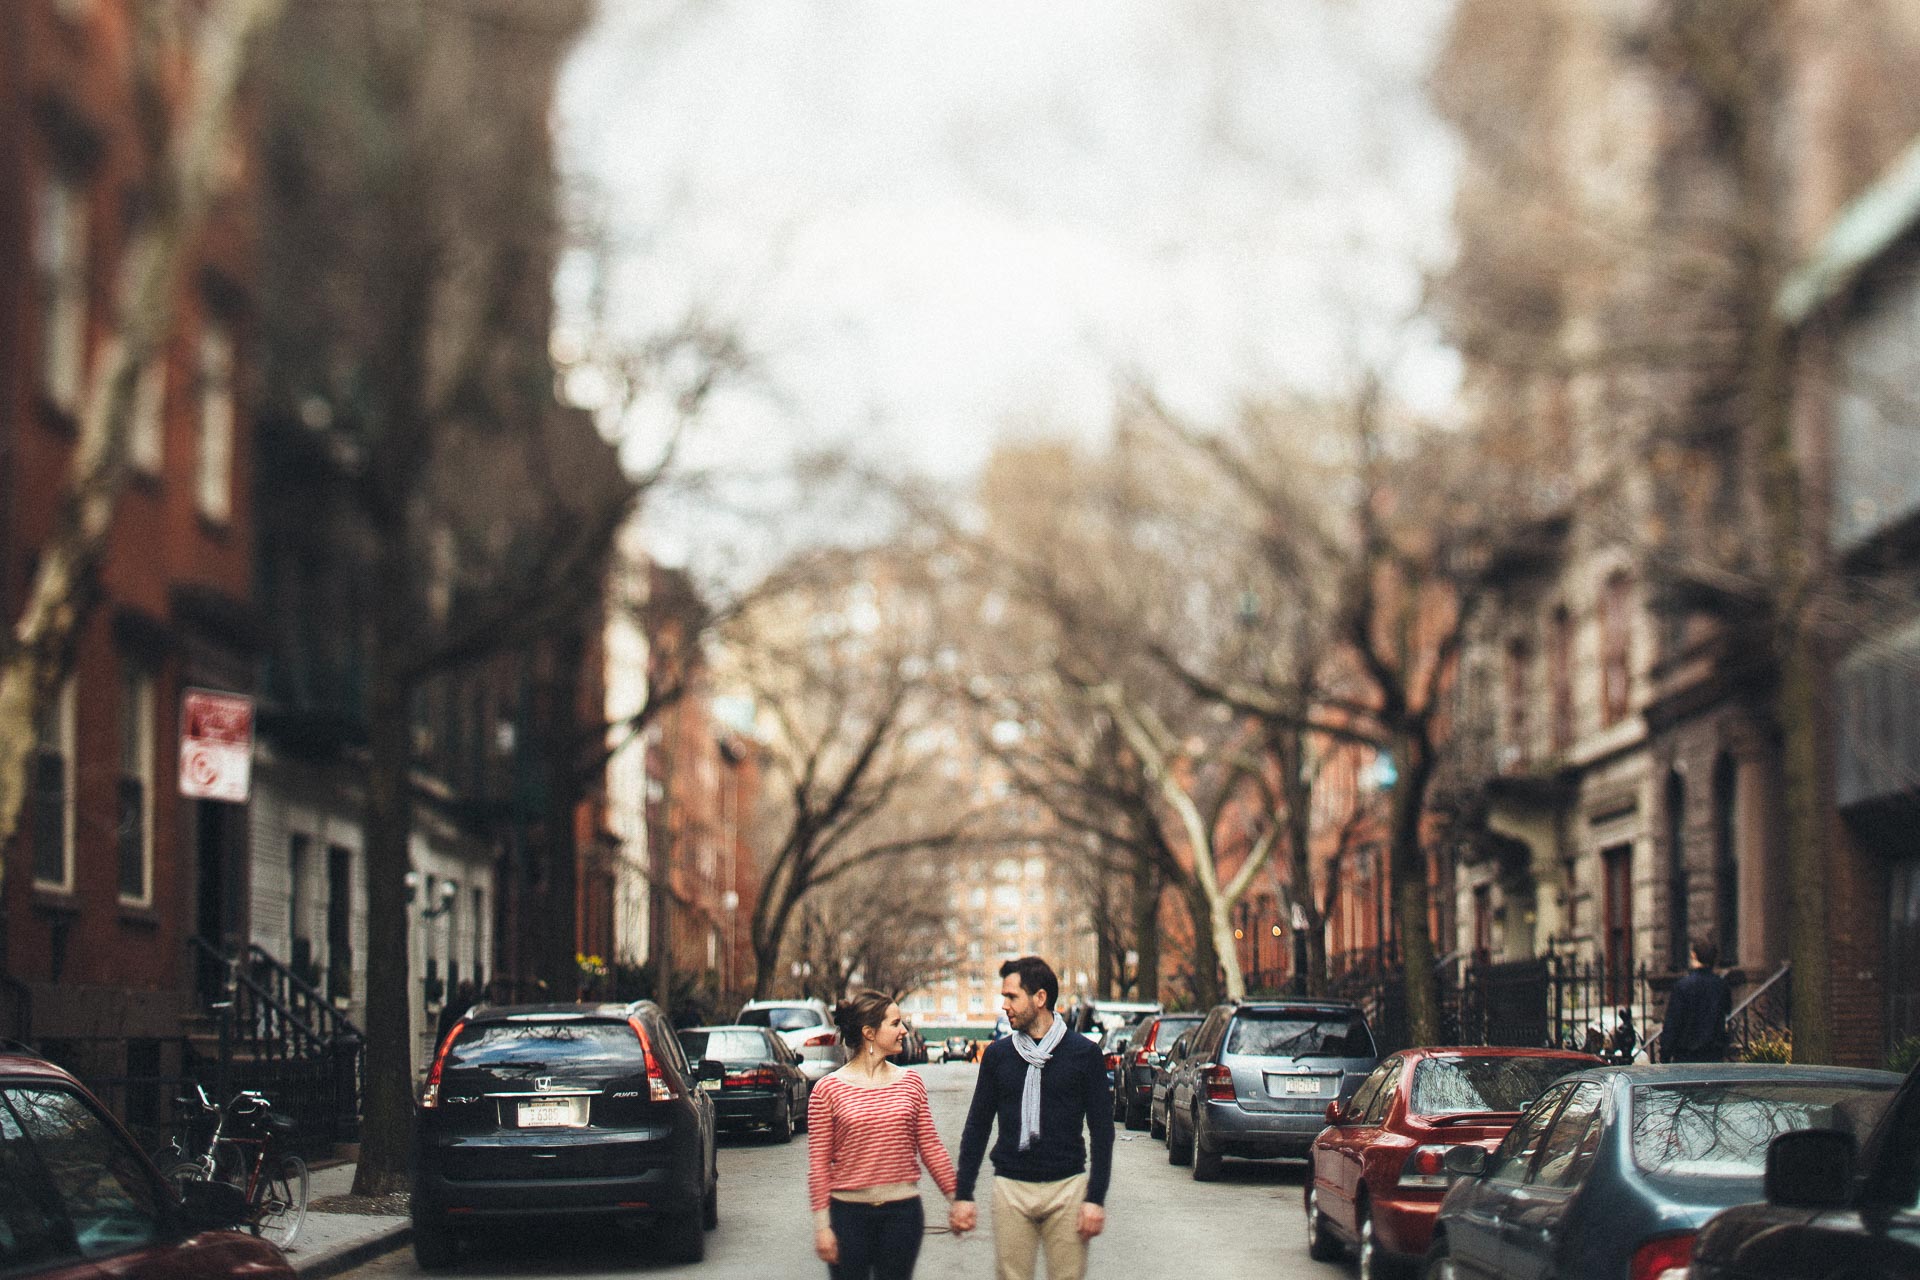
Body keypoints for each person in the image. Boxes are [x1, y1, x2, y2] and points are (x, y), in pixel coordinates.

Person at [950, 956, 1113, 1280]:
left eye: (1012, 997)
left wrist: (1095, 1198)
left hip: (1067, 1188)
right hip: (1011, 1188)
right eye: (1004, 997)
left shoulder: (1084, 1055)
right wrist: (963, 1193)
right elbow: (977, 1126)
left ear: (1039, 998)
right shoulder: (998, 1056)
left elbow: (1102, 1131)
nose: (1004, 1005)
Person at [807, 989, 957, 1280]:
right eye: (895, 1023)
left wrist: (957, 1198)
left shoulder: (911, 1083)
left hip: (902, 1216)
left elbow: (931, 1147)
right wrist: (822, 1226)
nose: (903, 1031)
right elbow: (819, 1165)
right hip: (847, 1216)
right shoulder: (827, 1090)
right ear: (869, 1033)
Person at [1659, 938, 1733, 1063]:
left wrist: (1665, 1054)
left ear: (1694, 955)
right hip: (1713, 1056)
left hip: (1686, 1057)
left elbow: (1673, 1023)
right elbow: (1726, 1013)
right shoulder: (1721, 985)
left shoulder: (1682, 986)